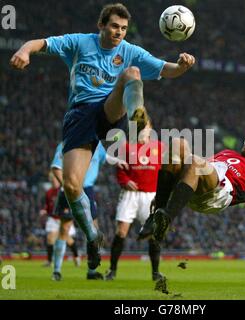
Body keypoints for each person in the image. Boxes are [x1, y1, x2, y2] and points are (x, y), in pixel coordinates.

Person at [10, 3, 195, 271]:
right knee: (72, 186)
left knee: (132, 73)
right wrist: (24, 50)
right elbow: (39, 43)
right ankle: (93, 238)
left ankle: (137, 114)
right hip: (80, 115)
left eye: (123, 28)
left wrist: (182, 65)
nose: (119, 32)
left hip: (111, 111)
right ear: (101, 25)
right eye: (114, 26)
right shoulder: (79, 43)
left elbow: (165, 69)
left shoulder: (129, 50)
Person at [138, 127, 245, 267]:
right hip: (198, 184)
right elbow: (193, 172)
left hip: (219, 193)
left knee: (196, 161)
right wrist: (167, 193)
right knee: (178, 143)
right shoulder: (228, 153)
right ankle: (157, 215)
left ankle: (166, 218)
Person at [105, 107, 165, 281]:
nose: (143, 129)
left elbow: (166, 170)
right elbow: (120, 169)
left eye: (145, 126)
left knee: (153, 234)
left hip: (150, 196)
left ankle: (155, 273)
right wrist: (125, 181)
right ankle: (112, 270)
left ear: (150, 128)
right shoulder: (127, 147)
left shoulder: (160, 148)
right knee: (121, 232)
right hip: (130, 195)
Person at [50, 141, 107, 281]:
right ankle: (56, 271)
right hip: (70, 189)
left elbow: (104, 159)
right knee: (64, 229)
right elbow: (56, 168)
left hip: (87, 188)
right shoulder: (66, 143)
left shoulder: (98, 145)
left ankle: (91, 271)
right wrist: (67, 186)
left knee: (93, 229)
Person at [39, 171, 80, 268]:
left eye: (54, 179)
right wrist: (44, 210)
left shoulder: (62, 191)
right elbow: (47, 206)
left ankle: (76, 256)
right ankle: (49, 261)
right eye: (51, 179)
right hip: (53, 218)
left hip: (64, 218)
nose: (53, 181)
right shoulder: (49, 192)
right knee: (50, 238)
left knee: (68, 240)